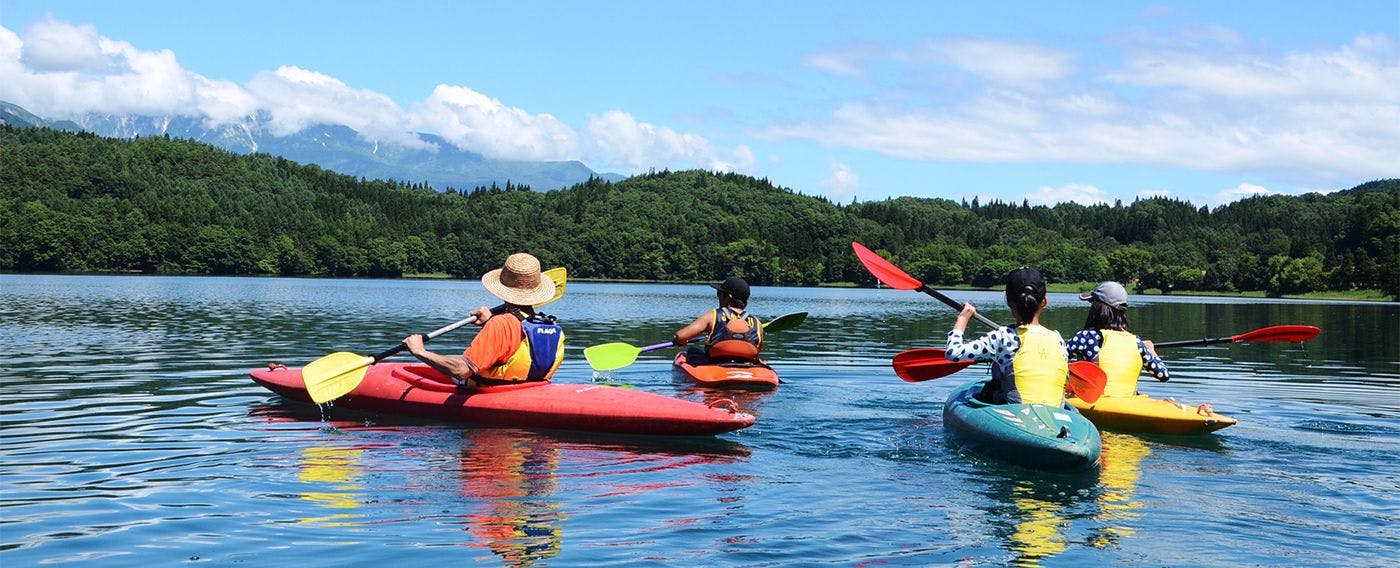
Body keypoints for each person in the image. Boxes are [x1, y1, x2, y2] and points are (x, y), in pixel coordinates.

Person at [403, 252, 564, 387]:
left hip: (491, 393)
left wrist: (420, 351)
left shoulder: (501, 324)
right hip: (531, 388)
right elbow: (517, 347)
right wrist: (489, 322)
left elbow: (461, 371)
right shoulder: (549, 324)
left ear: (503, 290)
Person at [944, 267, 1068, 405]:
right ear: (1044, 301)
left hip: (1017, 415)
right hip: (1055, 417)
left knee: (993, 382)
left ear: (1009, 302)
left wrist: (963, 318)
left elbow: (953, 353)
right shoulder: (1058, 339)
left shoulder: (1003, 337)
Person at [1066, 281, 1170, 399]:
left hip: (1094, 404)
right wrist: (1151, 351)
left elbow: (1058, 360)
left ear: (1097, 308)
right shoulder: (1136, 342)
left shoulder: (1085, 337)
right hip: (1127, 405)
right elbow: (1164, 375)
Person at [671, 276, 764, 364]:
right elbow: (757, 349)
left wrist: (680, 341)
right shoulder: (757, 322)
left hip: (715, 363)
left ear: (728, 297)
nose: (718, 298)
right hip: (747, 365)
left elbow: (681, 336)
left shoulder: (713, 315)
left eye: (719, 294)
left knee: (690, 352)